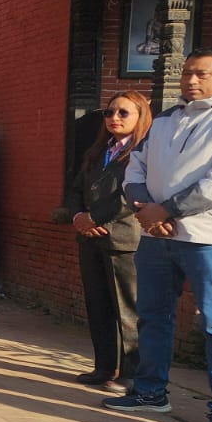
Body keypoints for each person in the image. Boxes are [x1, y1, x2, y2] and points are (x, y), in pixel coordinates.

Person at [105, 50, 212, 422]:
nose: (191, 80)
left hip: (210, 238)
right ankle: (151, 392)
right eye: (187, 73)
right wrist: (146, 210)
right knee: (152, 316)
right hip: (156, 237)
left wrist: (166, 210)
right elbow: (135, 168)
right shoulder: (167, 118)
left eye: (203, 74)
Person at [57, 91, 151, 395]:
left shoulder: (143, 152)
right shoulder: (99, 151)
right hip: (90, 238)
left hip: (123, 240)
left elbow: (131, 196)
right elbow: (76, 189)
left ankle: (131, 374)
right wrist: (78, 217)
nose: (114, 118)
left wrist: (95, 218)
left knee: (127, 310)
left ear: (140, 116)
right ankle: (104, 366)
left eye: (123, 113)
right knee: (98, 305)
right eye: (110, 113)